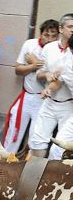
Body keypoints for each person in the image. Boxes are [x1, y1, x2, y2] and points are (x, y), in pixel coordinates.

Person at [2, 19, 59, 153]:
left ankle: (29, 164)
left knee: (36, 137)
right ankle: (6, 161)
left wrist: (34, 62)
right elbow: (18, 70)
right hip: (26, 96)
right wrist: (34, 66)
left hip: (43, 100)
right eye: (46, 35)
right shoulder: (29, 44)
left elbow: (53, 75)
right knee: (14, 133)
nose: (49, 39)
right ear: (40, 34)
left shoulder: (58, 51)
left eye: (53, 36)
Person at [28, 14, 73, 158]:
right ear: (61, 29)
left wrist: (51, 85)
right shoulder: (49, 48)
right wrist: (47, 76)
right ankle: (37, 170)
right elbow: (39, 74)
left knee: (60, 147)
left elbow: (61, 80)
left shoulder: (71, 55)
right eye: (70, 26)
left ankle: (57, 171)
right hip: (49, 102)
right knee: (37, 141)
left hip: (68, 105)